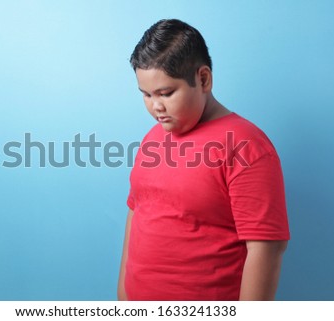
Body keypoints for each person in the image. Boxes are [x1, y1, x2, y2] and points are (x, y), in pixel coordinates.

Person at [117, 19, 290, 301]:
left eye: (166, 93)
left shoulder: (246, 145)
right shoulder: (153, 137)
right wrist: (123, 296)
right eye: (146, 95)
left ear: (203, 79)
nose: (155, 107)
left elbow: (266, 247)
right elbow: (137, 212)